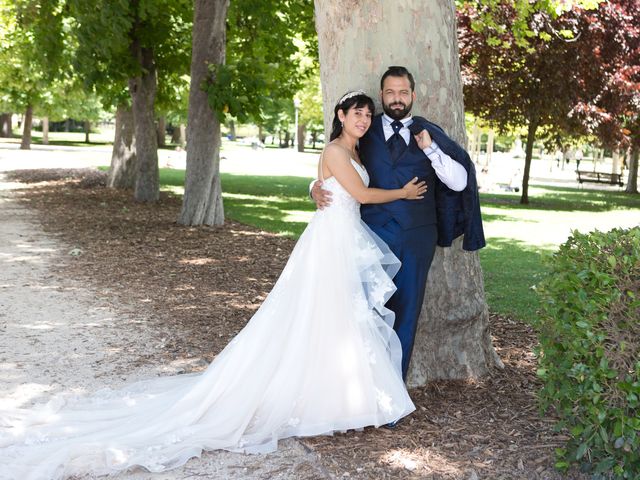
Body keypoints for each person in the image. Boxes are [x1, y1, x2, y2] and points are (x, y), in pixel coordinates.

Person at [0, 92, 424, 480]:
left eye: (368, 115)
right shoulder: (335, 149)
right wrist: (402, 191)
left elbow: (329, 187)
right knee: (323, 316)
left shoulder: (353, 149)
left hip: (340, 239)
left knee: (338, 320)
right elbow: (362, 196)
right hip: (331, 242)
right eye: (358, 114)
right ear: (340, 116)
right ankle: (324, 400)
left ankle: (342, 396)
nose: (364, 120)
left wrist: (314, 187)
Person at [312, 66, 485, 381]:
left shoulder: (426, 131)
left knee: (405, 314)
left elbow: (460, 182)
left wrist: (430, 149)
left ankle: (392, 390)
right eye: (390, 92)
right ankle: (357, 386)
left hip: (415, 239)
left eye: (403, 92)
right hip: (368, 236)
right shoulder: (365, 130)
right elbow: (337, 164)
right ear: (382, 95)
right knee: (362, 313)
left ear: (413, 95)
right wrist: (314, 187)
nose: (396, 98)